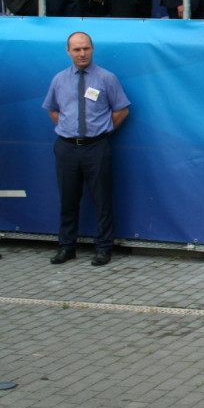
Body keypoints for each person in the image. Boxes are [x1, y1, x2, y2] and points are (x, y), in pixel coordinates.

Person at [44, 31, 131, 267]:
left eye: (86, 49)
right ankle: (66, 247)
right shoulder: (59, 80)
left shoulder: (106, 78)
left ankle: (103, 248)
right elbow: (52, 110)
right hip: (66, 148)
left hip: (96, 147)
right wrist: (70, 130)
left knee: (102, 199)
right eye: (77, 49)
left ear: (92, 49)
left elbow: (121, 110)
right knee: (68, 199)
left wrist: (100, 132)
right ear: (68, 51)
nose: (82, 54)